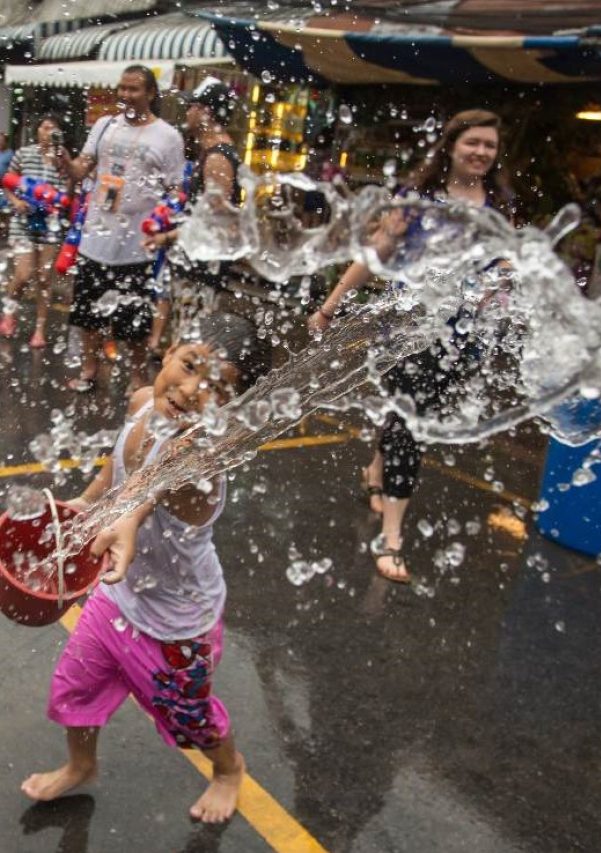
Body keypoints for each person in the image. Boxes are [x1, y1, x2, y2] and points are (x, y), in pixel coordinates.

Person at [21, 311, 269, 823]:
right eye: (189, 364)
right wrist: (84, 507)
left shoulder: (203, 460)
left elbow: (154, 483)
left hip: (178, 621)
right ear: (171, 348)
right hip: (119, 594)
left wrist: (128, 518)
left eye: (217, 387)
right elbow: (118, 469)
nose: (192, 389)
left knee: (189, 720)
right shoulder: (139, 404)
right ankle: (80, 765)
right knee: (74, 685)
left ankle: (228, 770)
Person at [309, 109, 514, 583]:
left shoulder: (497, 204)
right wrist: (331, 304)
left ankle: (374, 470)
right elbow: (377, 253)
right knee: (412, 427)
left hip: (461, 337)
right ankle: (392, 538)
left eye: (489, 145)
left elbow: (504, 261)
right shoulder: (418, 198)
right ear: (451, 146)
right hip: (406, 332)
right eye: (473, 143)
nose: (481, 152)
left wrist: (503, 278)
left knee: (410, 413)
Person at [59, 65, 185, 393]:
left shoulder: (168, 137)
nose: (125, 95)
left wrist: (163, 232)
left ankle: (137, 376)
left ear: (151, 94)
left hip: (135, 247)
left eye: (134, 90)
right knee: (87, 315)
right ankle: (89, 370)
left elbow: (176, 194)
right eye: (122, 89)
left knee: (135, 320)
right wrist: (65, 164)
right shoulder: (104, 126)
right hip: (94, 241)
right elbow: (80, 169)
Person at [143, 76, 241, 348]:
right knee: (185, 336)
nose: (187, 112)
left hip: (201, 268)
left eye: (192, 106)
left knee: (191, 341)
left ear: (206, 112)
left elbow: (215, 222)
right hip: (195, 262)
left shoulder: (218, 158)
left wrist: (165, 238)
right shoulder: (210, 153)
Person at [0, 116, 69, 347]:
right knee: (23, 275)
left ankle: (39, 330)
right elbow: (7, 182)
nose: (48, 131)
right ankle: (9, 313)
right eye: (45, 127)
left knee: (43, 278)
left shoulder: (62, 159)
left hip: (50, 225)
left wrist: (58, 200)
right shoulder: (24, 153)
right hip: (23, 222)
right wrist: (15, 202)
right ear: (37, 130)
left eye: (53, 128)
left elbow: (69, 191)